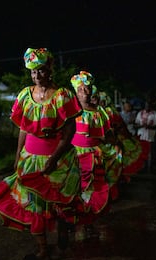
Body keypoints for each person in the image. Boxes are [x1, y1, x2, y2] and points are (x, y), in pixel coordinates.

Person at [0, 48, 83, 260]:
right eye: (33, 72)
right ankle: (42, 250)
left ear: (49, 70)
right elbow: (24, 128)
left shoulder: (63, 96)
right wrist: (18, 154)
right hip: (30, 159)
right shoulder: (24, 95)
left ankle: (63, 232)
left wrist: (54, 158)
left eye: (41, 70)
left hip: (58, 160)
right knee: (33, 206)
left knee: (57, 203)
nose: (37, 76)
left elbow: (69, 133)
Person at [69, 71, 119, 239]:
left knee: (90, 190)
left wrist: (108, 137)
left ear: (91, 90)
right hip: (74, 155)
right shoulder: (70, 111)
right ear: (76, 91)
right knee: (73, 189)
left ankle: (88, 222)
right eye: (80, 88)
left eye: (87, 88)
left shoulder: (100, 112)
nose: (84, 91)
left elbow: (109, 136)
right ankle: (69, 221)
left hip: (94, 156)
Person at [135, 98, 156, 173]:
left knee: (149, 153)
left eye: (149, 105)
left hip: (150, 137)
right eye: (146, 105)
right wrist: (142, 126)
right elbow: (136, 124)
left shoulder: (155, 114)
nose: (147, 106)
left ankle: (149, 168)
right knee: (141, 152)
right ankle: (142, 167)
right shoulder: (140, 113)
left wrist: (149, 127)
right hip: (141, 136)